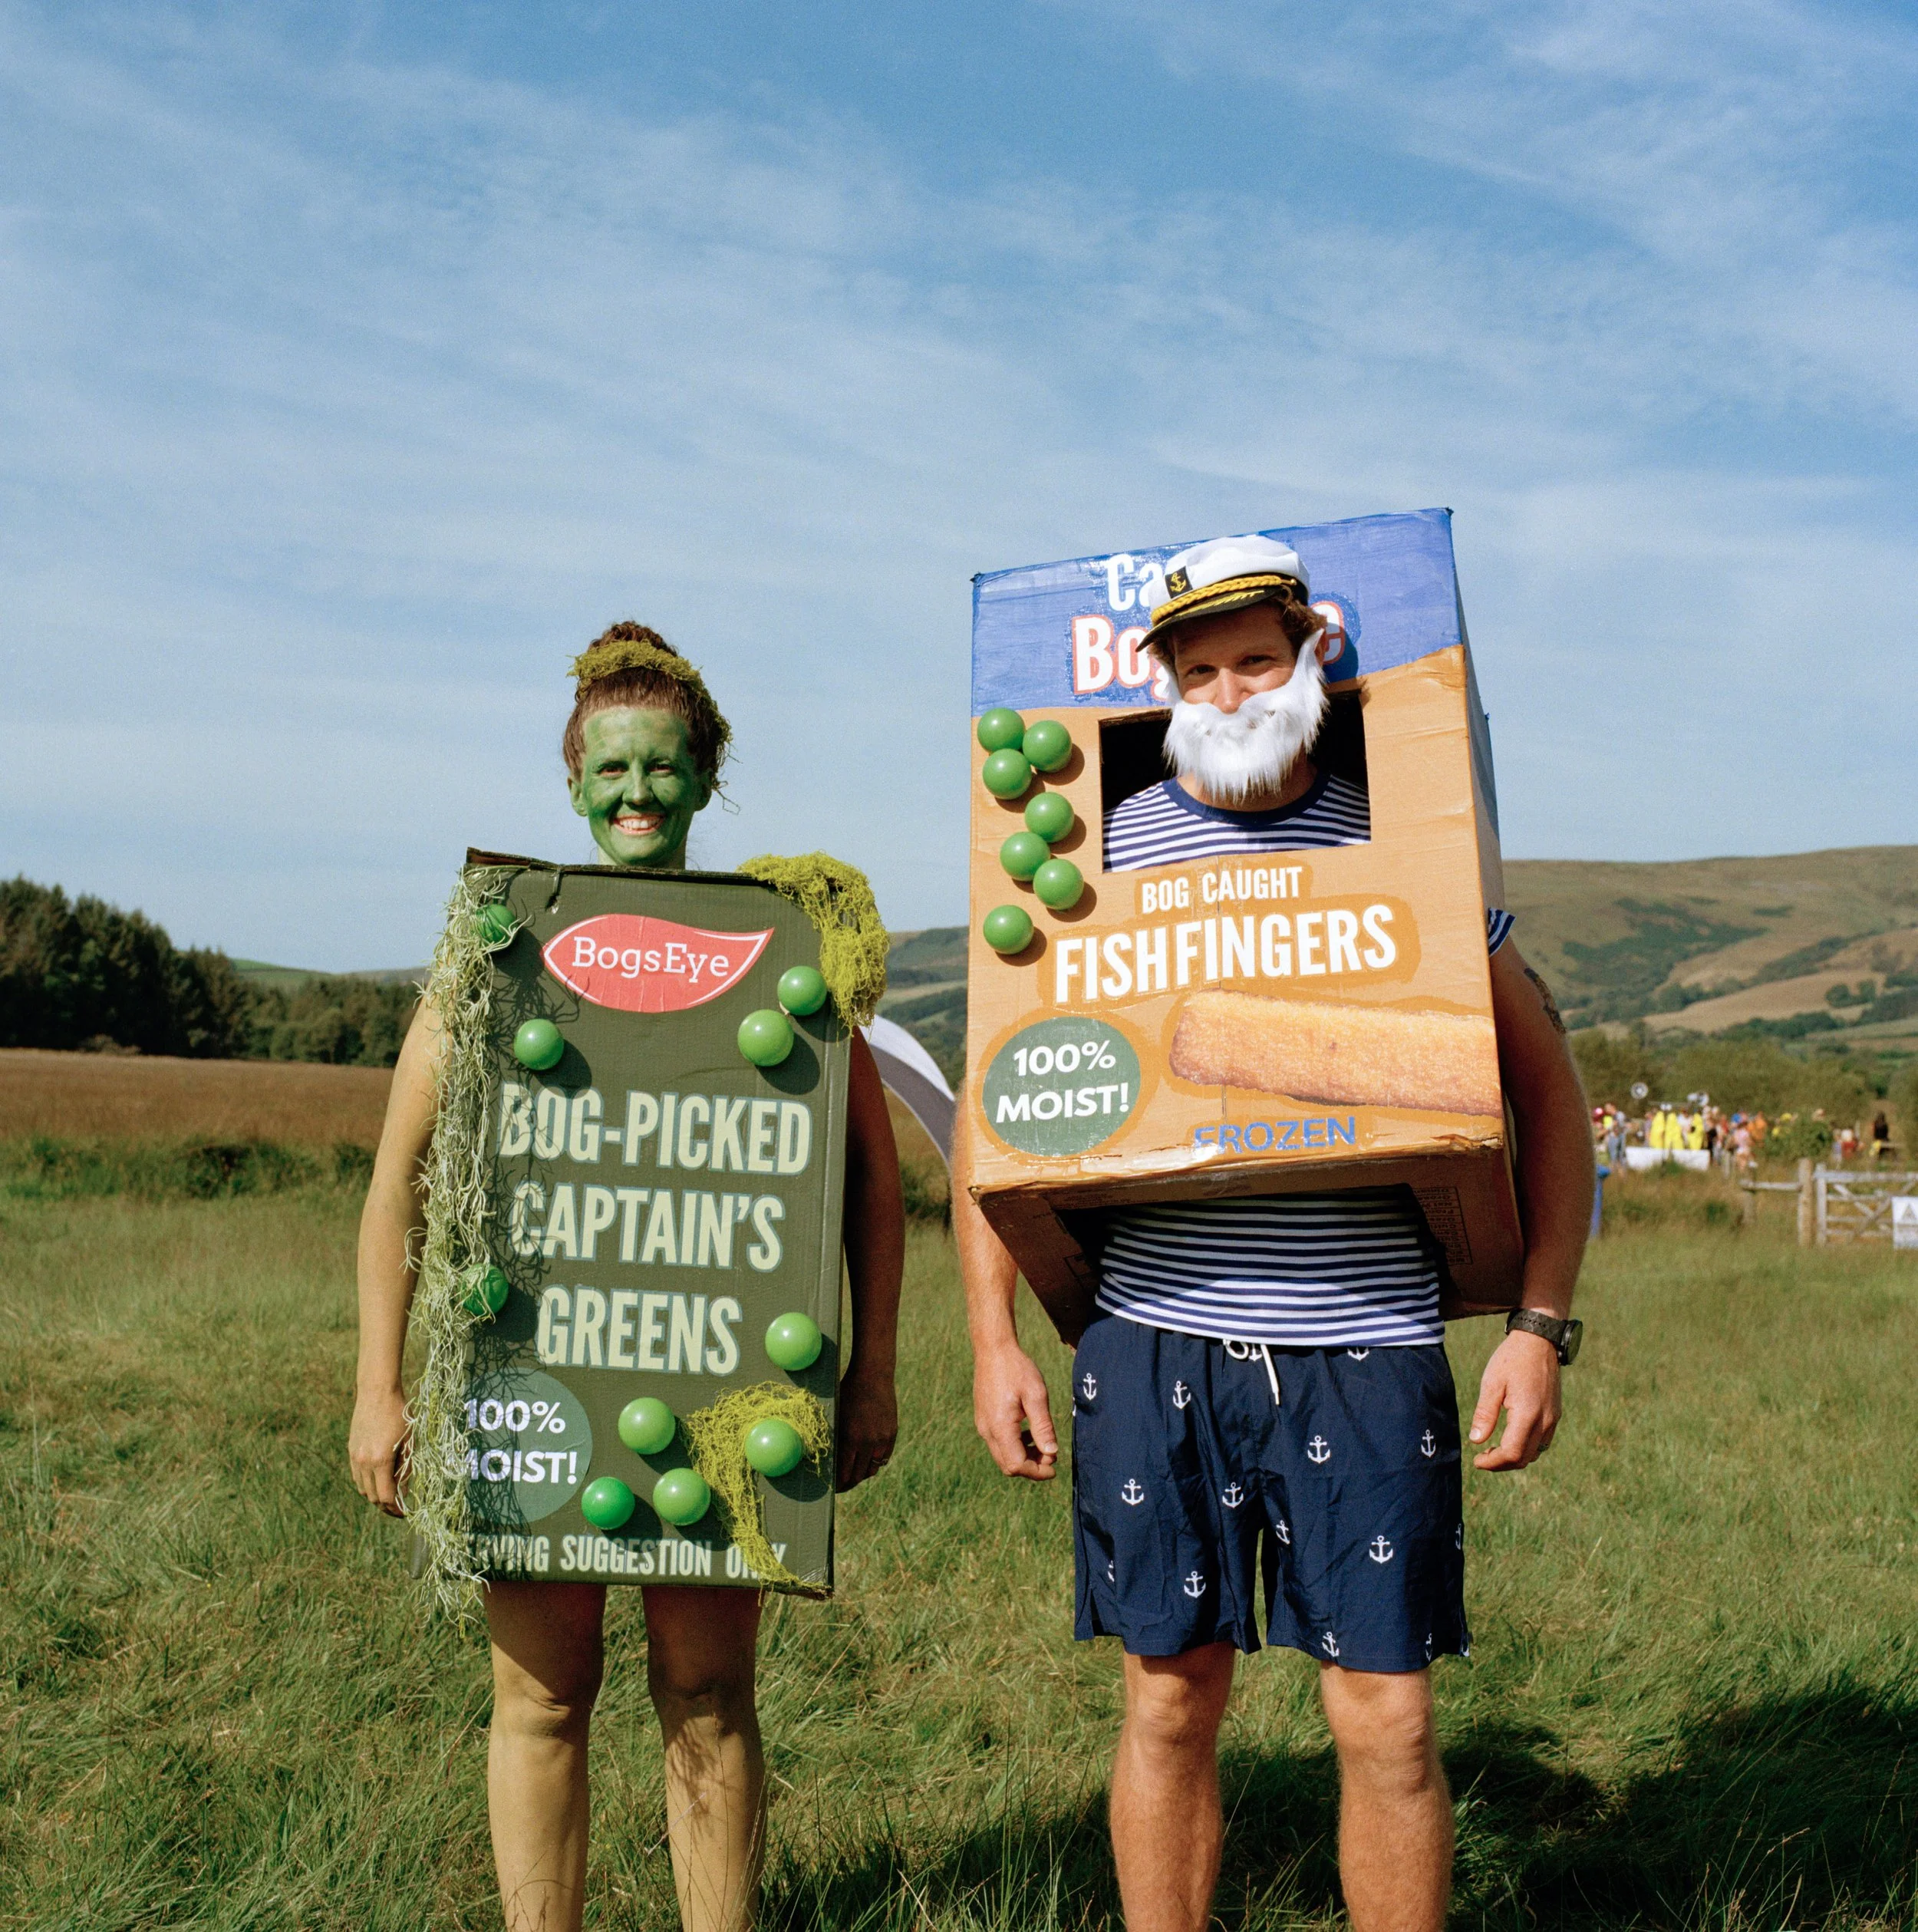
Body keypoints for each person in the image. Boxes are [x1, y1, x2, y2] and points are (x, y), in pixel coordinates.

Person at [952, 536, 1593, 1932]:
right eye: (1198, 668)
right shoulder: (1103, 850)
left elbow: (1551, 1097)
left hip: (1362, 1346)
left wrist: (1539, 1324)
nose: (1230, 689)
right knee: (1167, 1701)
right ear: (1165, 688)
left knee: (1387, 1722)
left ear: (1311, 657)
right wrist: (992, 1336)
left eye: (1256, 657)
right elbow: (1013, 1097)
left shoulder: (1397, 838)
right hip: (1151, 1342)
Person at [348, 624, 905, 1932]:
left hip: (715, 1402)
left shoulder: (787, 950)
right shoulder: (495, 957)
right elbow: (396, 1190)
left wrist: (872, 1371)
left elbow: (872, 1184)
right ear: (574, 784)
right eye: (612, 772)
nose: (637, 794)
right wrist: (379, 1388)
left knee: (708, 1699)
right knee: (541, 1696)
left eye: (663, 768)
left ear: (706, 778)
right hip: (530, 1388)